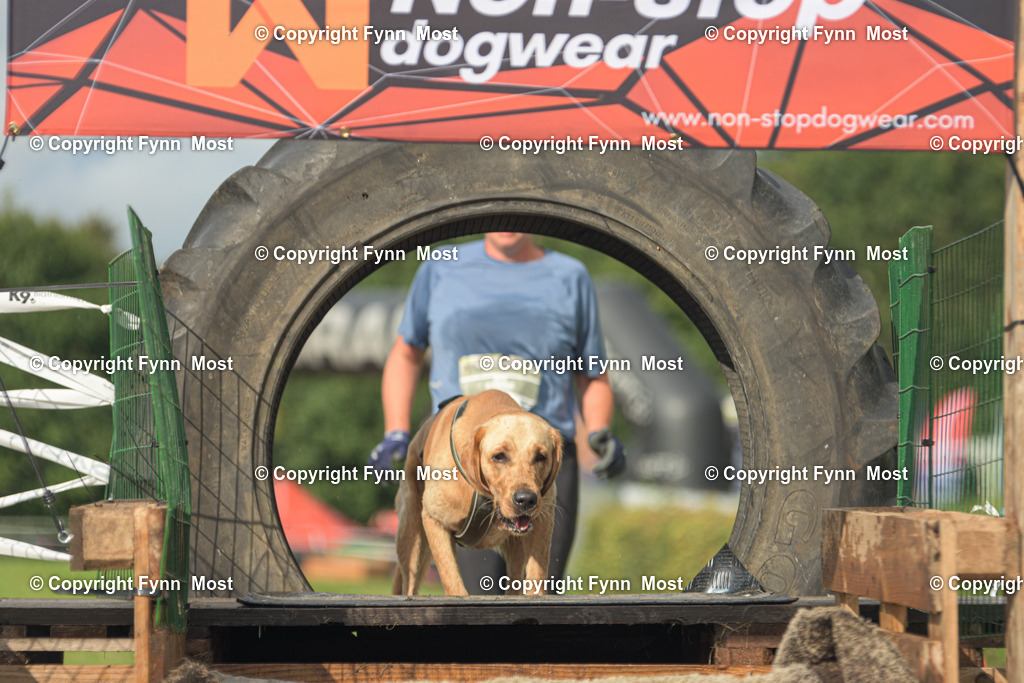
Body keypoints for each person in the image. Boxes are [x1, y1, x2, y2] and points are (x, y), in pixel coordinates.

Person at [367, 232, 626, 594]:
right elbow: (406, 353)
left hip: (543, 461)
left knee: (537, 601)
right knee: (476, 605)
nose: (507, 223)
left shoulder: (571, 276)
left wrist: (599, 431)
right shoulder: (441, 265)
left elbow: (592, 372)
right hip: (466, 458)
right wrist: (395, 430)